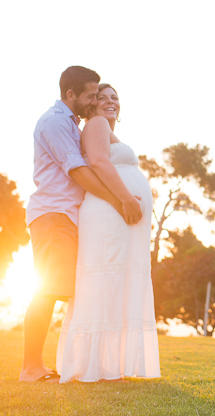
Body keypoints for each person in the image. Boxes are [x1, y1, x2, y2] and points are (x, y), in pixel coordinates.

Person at [21, 66, 143, 383]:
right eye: (90, 95)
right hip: (53, 214)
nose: (93, 101)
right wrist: (121, 200)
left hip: (69, 216)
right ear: (70, 94)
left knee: (65, 289)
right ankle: (30, 367)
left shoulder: (72, 123)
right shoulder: (56, 121)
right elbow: (77, 171)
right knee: (47, 290)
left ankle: (64, 361)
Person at [56, 83, 161, 383]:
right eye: (103, 98)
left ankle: (107, 364)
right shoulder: (97, 124)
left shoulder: (103, 128)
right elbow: (100, 163)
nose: (111, 102)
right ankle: (94, 365)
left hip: (116, 216)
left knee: (115, 282)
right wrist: (127, 198)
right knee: (106, 280)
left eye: (115, 97)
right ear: (92, 105)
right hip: (108, 215)